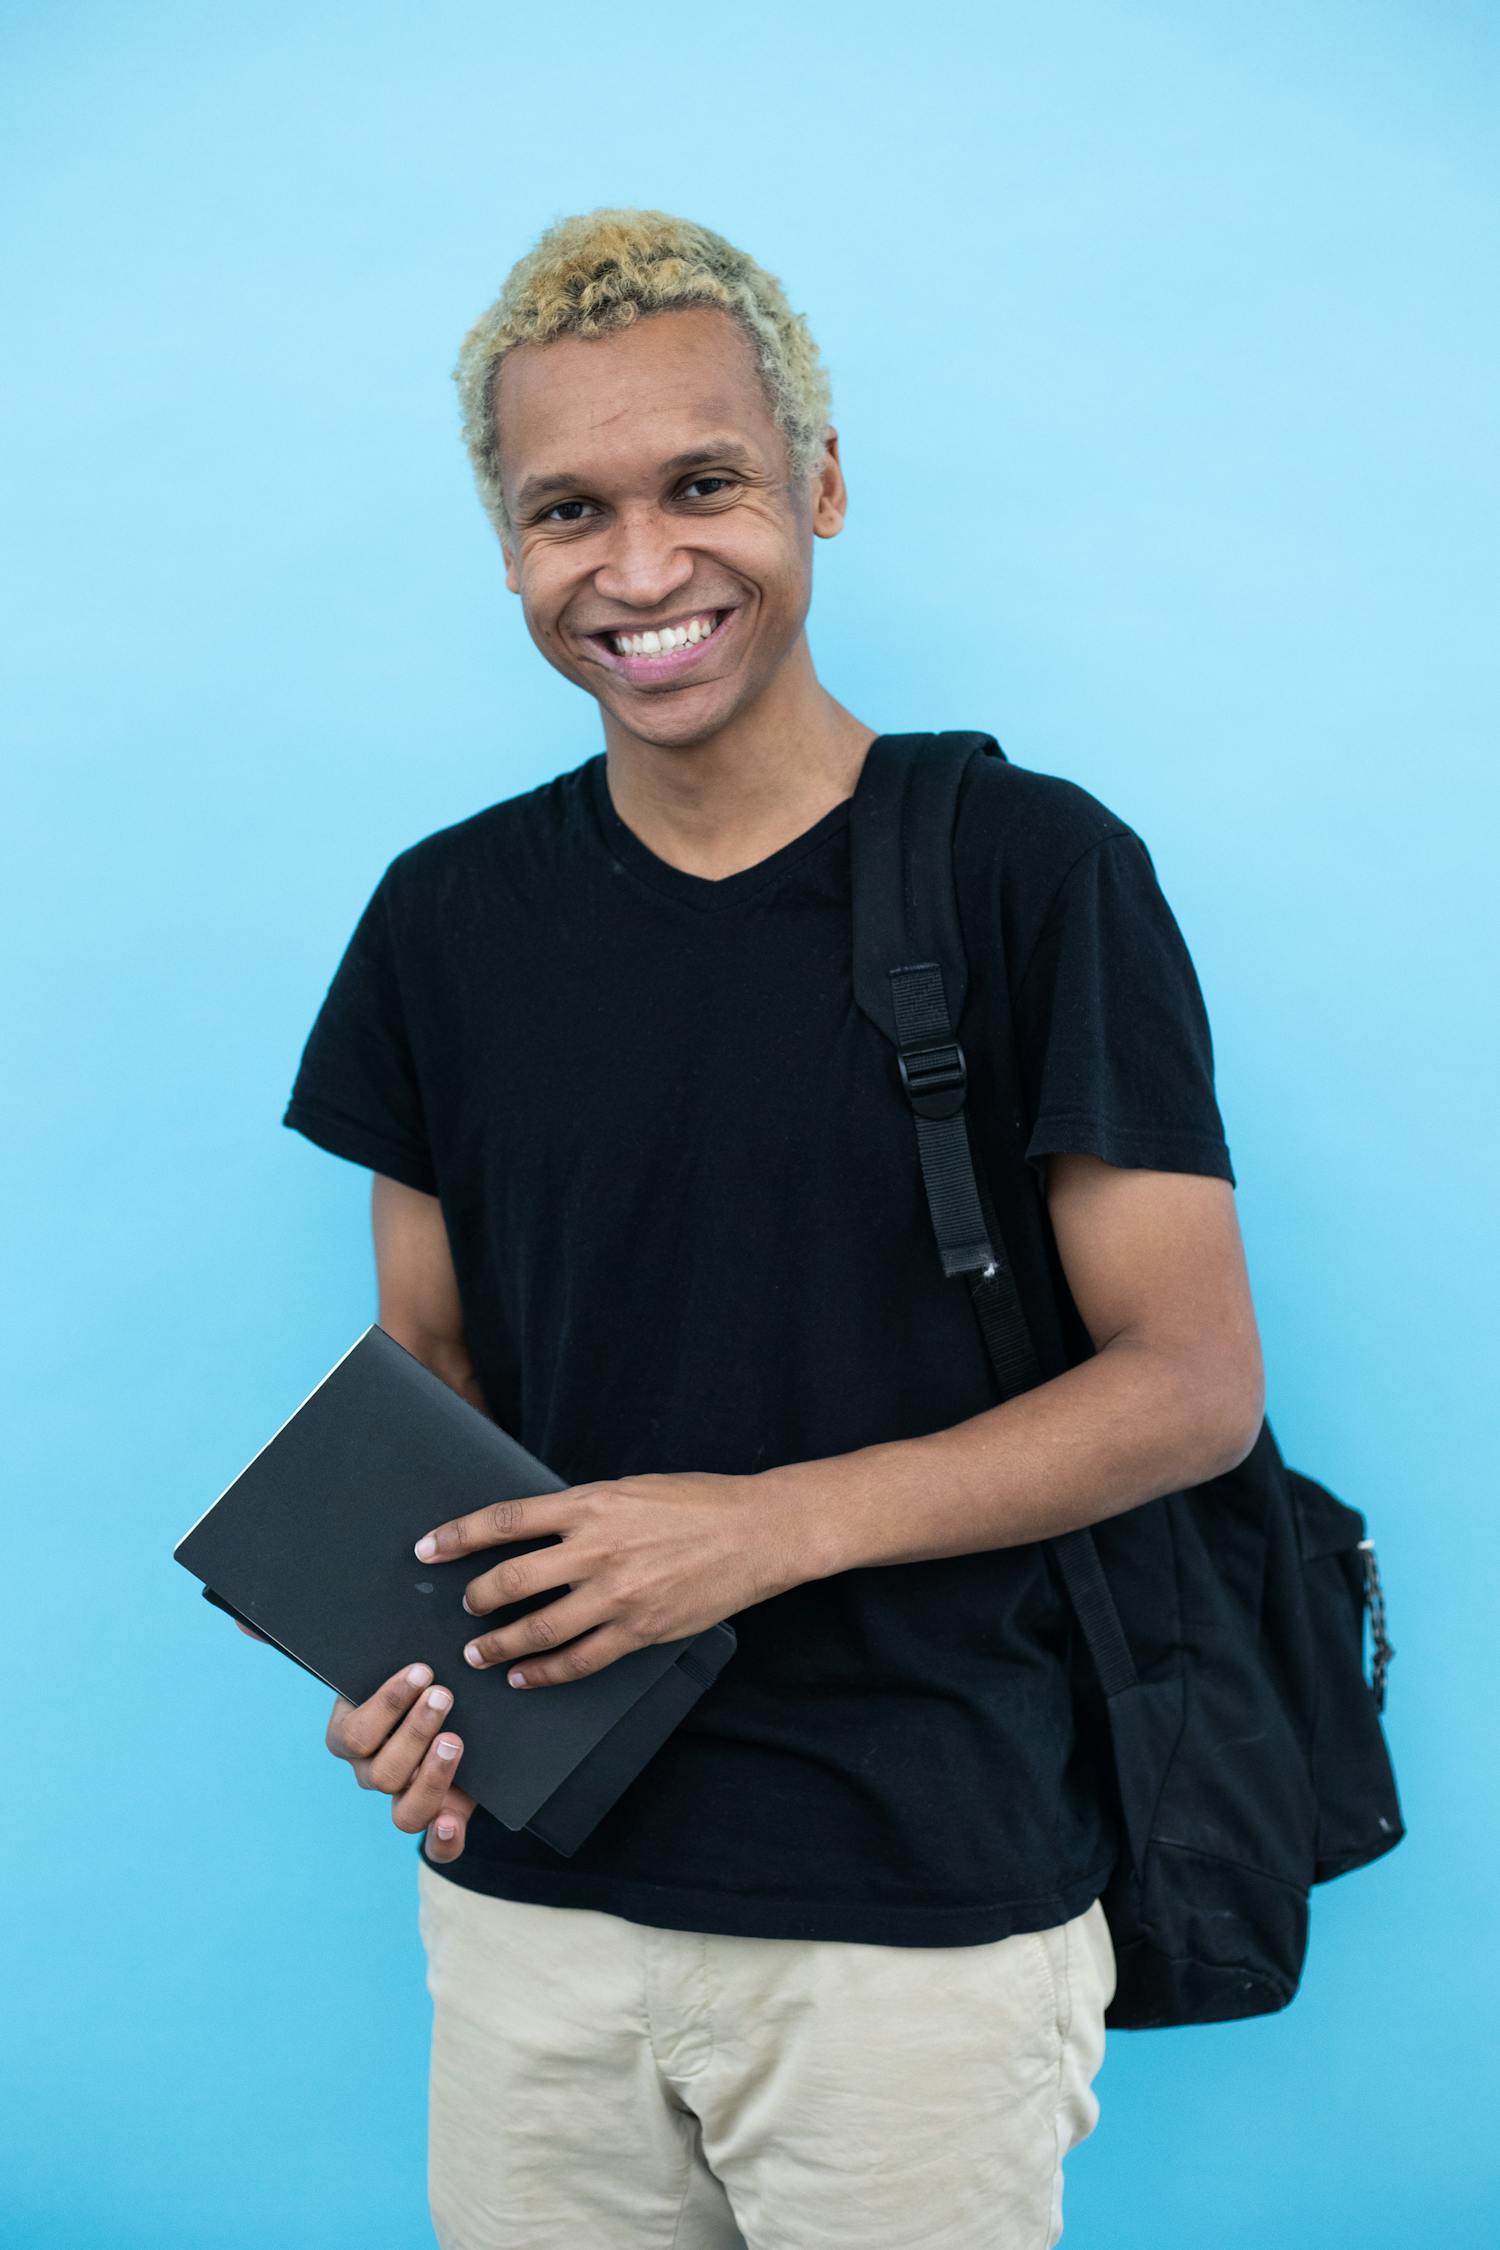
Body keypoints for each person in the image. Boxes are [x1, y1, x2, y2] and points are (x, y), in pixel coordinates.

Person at [270, 207, 1265, 2249]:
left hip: (917, 1912)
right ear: (509, 545)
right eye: (568, 512)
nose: (639, 569)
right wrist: (401, 1680)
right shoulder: (443, 923)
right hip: (533, 1911)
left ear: (815, 480)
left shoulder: (1031, 873)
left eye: (701, 483)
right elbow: (430, 1387)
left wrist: (757, 1526)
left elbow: (1191, 1386)